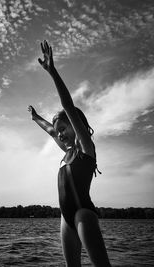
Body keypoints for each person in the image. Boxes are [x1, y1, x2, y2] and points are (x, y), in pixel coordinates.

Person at [28, 40, 111, 267]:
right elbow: (50, 130)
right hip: (65, 219)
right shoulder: (66, 152)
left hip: (83, 215)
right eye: (59, 131)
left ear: (78, 127)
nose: (60, 134)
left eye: (64, 128)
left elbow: (67, 104)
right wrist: (36, 118)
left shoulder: (86, 149)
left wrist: (52, 72)